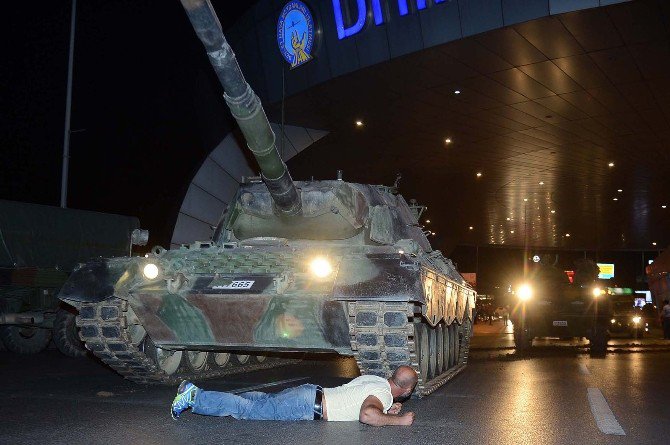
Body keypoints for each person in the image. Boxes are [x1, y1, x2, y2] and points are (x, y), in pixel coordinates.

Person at [171, 365, 418, 426]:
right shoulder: (382, 394)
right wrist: (399, 420)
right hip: (307, 405)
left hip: (310, 392)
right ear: (407, 390)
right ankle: (195, 397)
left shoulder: (377, 382)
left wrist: (387, 408)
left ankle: (203, 396)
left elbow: (362, 398)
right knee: (248, 411)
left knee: (259, 401)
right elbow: (366, 414)